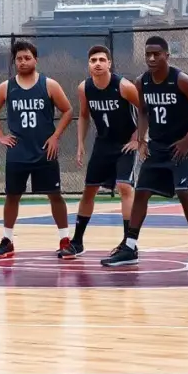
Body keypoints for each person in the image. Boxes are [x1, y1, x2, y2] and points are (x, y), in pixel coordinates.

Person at [101, 36, 188, 269]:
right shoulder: (142, 82)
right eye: (148, 54)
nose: (151, 58)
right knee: (141, 192)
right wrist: (142, 139)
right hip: (157, 146)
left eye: (156, 54)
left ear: (166, 56)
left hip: (182, 145)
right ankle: (130, 247)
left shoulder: (181, 80)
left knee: (183, 191)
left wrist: (187, 139)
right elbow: (142, 111)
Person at [0, 40, 75, 258]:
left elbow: (68, 110)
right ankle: (8, 240)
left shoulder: (49, 84)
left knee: (54, 195)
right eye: (19, 59)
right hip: (18, 151)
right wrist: (0, 136)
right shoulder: (6, 87)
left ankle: (65, 239)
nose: (23, 62)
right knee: (12, 196)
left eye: (27, 58)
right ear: (14, 61)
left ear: (35, 59)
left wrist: (55, 136)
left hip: (45, 150)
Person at [63, 45, 140, 259]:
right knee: (89, 190)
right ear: (88, 65)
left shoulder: (124, 86)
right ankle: (77, 241)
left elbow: (145, 110)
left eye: (101, 60)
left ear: (109, 64)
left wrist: (139, 138)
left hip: (125, 143)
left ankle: (129, 244)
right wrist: (80, 143)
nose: (97, 63)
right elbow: (85, 115)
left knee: (125, 187)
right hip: (103, 143)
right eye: (93, 60)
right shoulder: (84, 88)